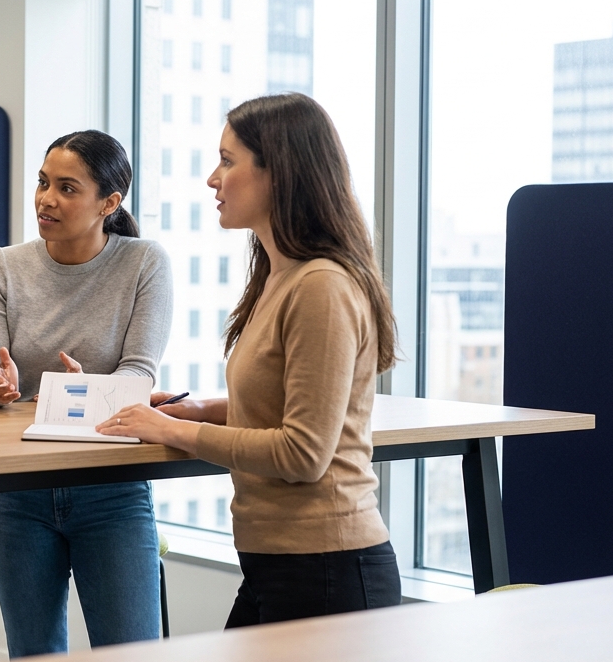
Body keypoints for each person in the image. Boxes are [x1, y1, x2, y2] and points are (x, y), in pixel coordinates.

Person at [99, 92, 402, 626]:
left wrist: (173, 433)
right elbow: (276, 404)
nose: (213, 179)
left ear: (278, 173)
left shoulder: (321, 287)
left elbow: (303, 453)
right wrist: (195, 411)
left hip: (327, 565)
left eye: (227, 161)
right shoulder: (280, 277)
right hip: (280, 563)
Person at [0, 129, 173, 657]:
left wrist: (85, 390)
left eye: (67, 188)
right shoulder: (4, 267)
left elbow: (139, 376)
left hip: (113, 489)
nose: (46, 199)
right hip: (19, 486)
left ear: (110, 202)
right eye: (42, 183)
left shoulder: (144, 262)